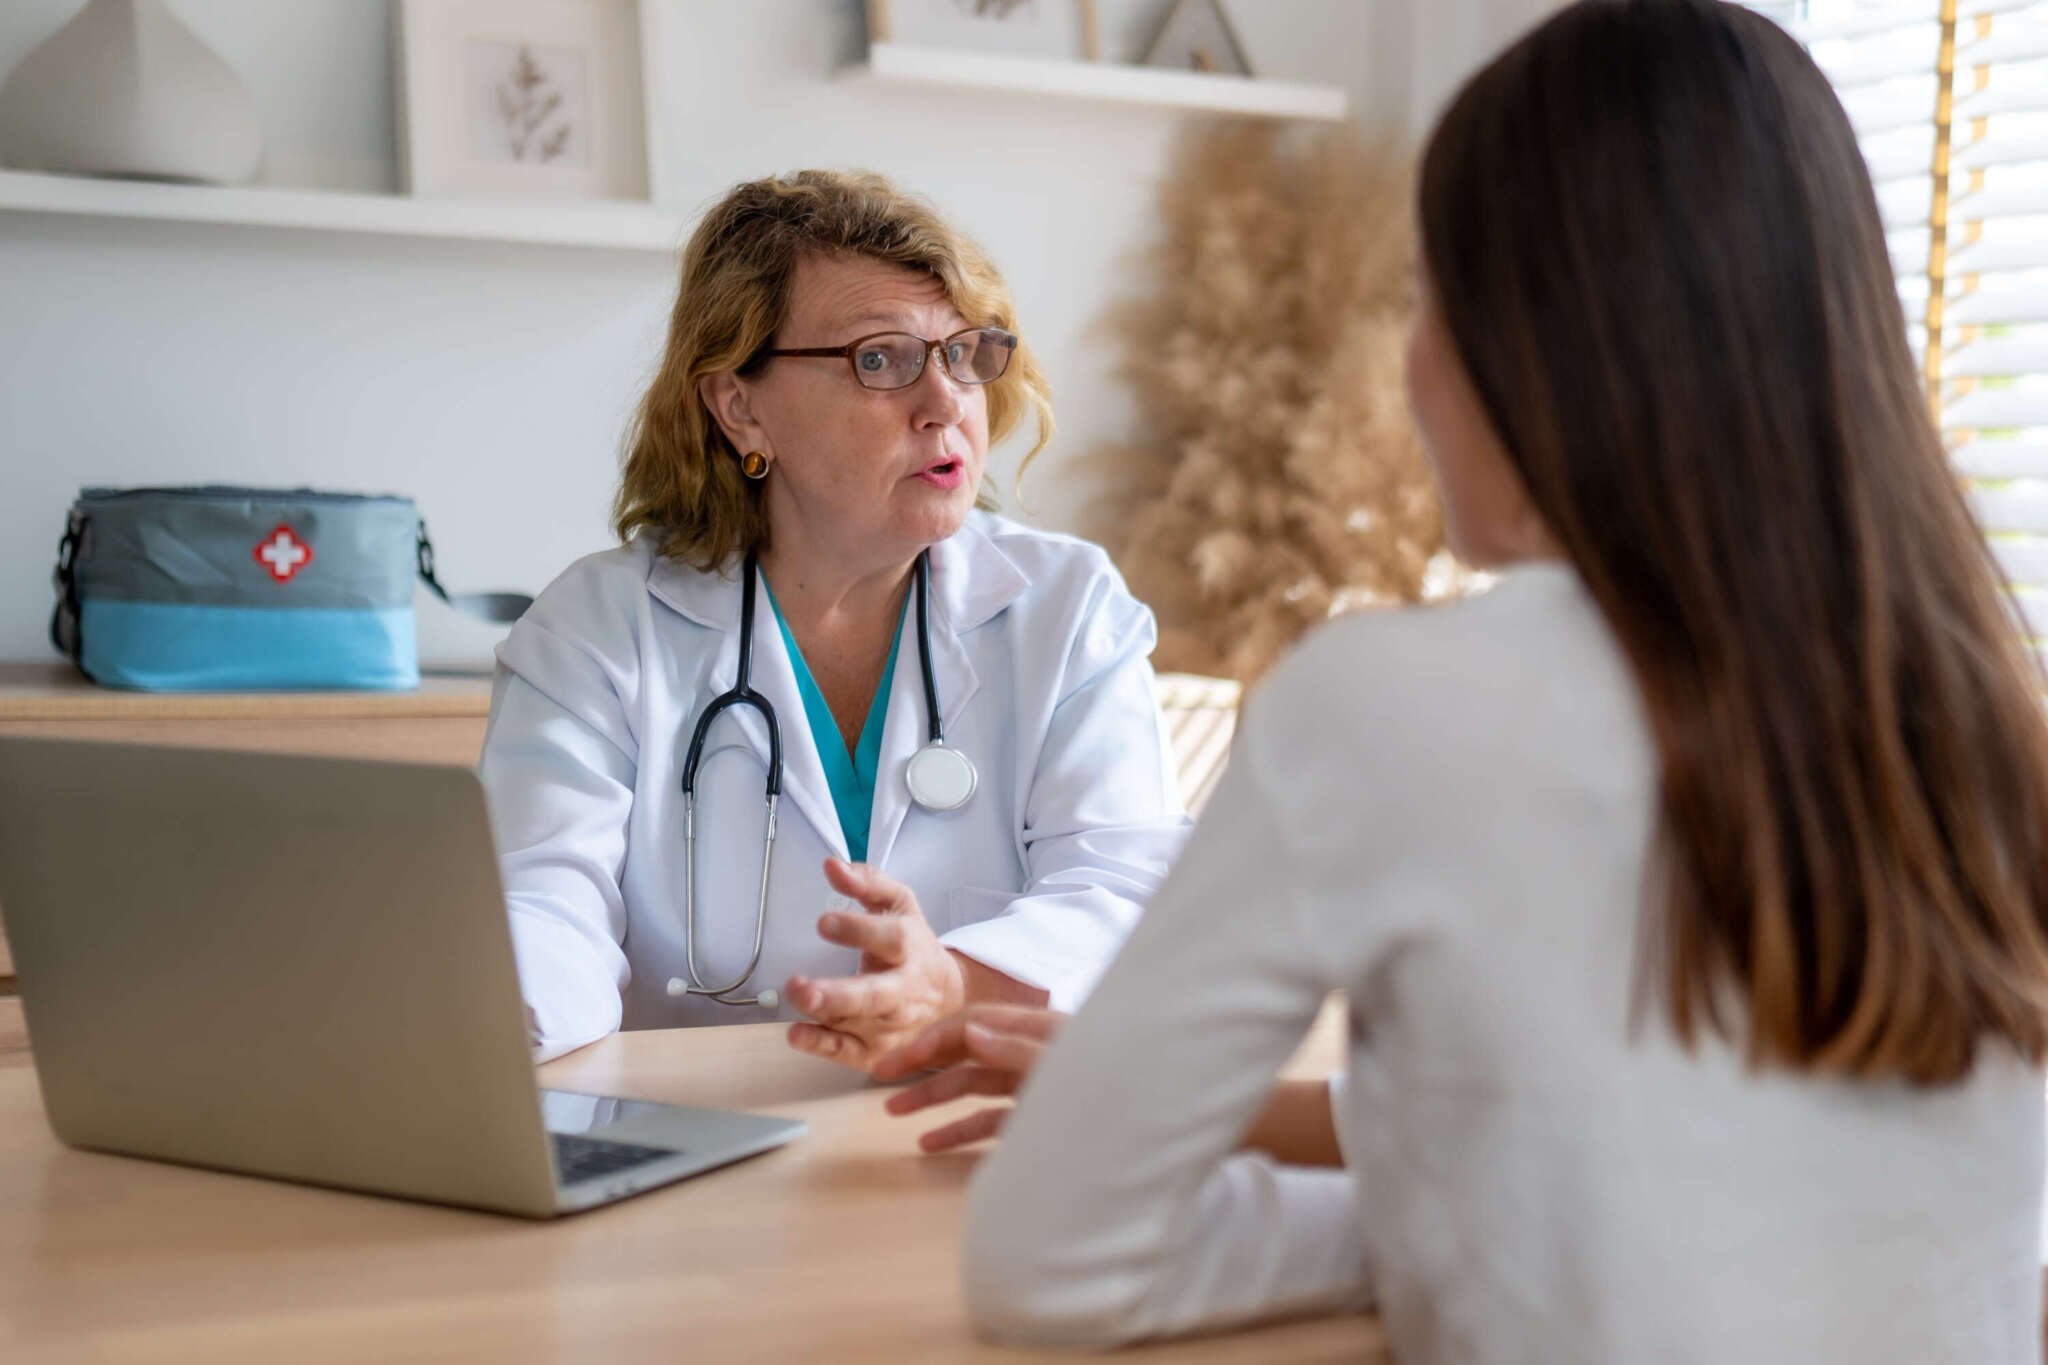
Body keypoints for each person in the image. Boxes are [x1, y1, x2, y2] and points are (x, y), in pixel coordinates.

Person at [873, 2, 2048, 1359]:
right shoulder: (1976, 715)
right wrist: (1477, 1196)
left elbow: (1051, 1262)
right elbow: (1673, 1119)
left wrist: (1456, 1218)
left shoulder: (1383, 706)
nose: (1411, 363)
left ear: (1539, 339)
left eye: (1428, 298)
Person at [479, 170, 1190, 1067]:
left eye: (965, 353)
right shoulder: (596, 631)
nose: (946, 404)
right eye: (880, 360)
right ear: (740, 406)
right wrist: (495, 1014)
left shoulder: (1067, 610)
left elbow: (1122, 887)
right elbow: (539, 905)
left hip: (967, 1133)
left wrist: (953, 982)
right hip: (693, 1154)